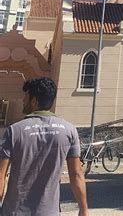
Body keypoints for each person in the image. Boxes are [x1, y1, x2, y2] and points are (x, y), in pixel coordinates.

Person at [0, 77, 88, 216]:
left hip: (14, 212)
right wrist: (83, 209)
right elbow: (76, 174)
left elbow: (1, 176)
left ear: (34, 101)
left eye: (26, 96)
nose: (23, 100)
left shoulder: (14, 131)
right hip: (49, 212)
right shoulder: (69, 130)